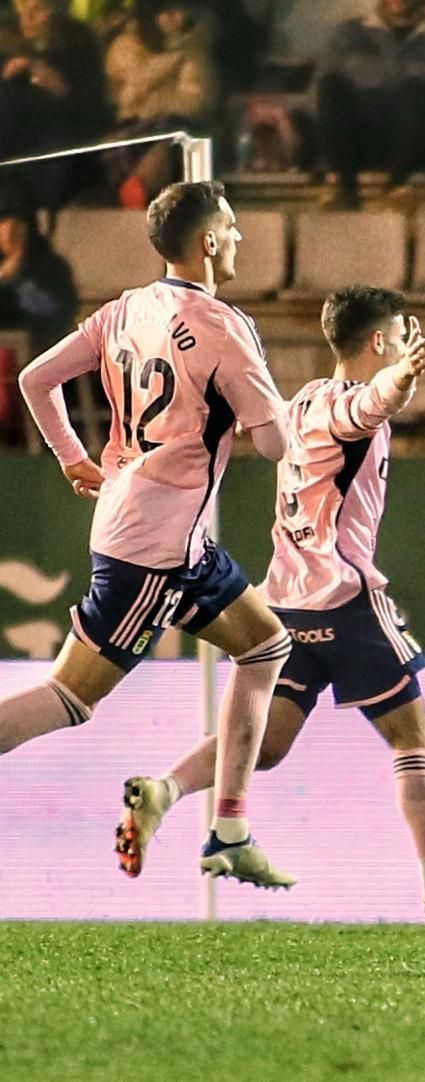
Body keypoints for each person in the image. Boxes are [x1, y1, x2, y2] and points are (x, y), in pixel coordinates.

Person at [113, 287, 425, 923]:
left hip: (286, 605)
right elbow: (372, 404)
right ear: (379, 342)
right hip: (345, 598)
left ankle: (165, 789)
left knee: (265, 745)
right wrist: (401, 379)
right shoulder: (350, 406)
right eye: (397, 337)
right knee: (414, 735)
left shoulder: (299, 403)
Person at [1, 180, 293, 888]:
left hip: (170, 539)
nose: (241, 238)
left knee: (265, 646)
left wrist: (74, 456)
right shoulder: (224, 326)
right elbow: (277, 443)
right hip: (153, 549)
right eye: (232, 227)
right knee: (72, 697)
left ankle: (228, 830)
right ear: (209, 242)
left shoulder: (127, 308)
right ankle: (222, 827)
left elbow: (37, 379)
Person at [313, 0, 425, 209]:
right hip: (362, 136)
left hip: (415, 139)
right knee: (330, 84)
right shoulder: (349, 34)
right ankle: (344, 188)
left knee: (415, 89)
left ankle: (397, 186)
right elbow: (320, 89)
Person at [101, 0, 217, 207]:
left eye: (182, 11)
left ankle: (140, 188)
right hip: (131, 128)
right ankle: (136, 189)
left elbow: (194, 101)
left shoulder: (195, 52)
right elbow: (131, 90)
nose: (179, 18)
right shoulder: (125, 45)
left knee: (169, 138)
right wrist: (176, 57)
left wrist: (155, 104)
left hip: (176, 127)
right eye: (170, 13)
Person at [0, 0, 109, 184]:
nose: (27, 18)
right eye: (22, 10)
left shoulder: (78, 44)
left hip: (66, 134)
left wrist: (55, 83)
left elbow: (91, 105)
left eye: (38, 10)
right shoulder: (6, 44)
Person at [0, 192, 80, 356]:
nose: (9, 232)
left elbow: (58, 313)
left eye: (17, 224)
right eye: (2, 224)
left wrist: (18, 279)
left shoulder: (52, 267)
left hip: (39, 354)